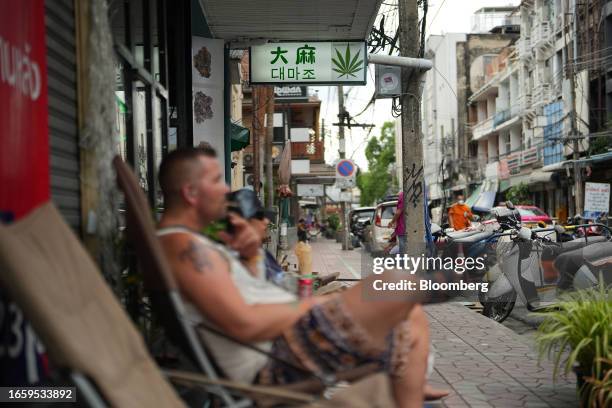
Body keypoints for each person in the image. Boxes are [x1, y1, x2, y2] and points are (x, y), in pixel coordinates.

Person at [156, 147, 452, 407]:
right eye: (214, 181)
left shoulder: (194, 243)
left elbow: (247, 295)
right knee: (392, 284)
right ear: (191, 193)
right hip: (271, 363)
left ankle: (409, 393)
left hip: (281, 346)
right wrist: (316, 307)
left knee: (408, 310)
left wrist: (250, 254)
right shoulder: (182, 246)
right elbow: (243, 322)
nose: (224, 190)